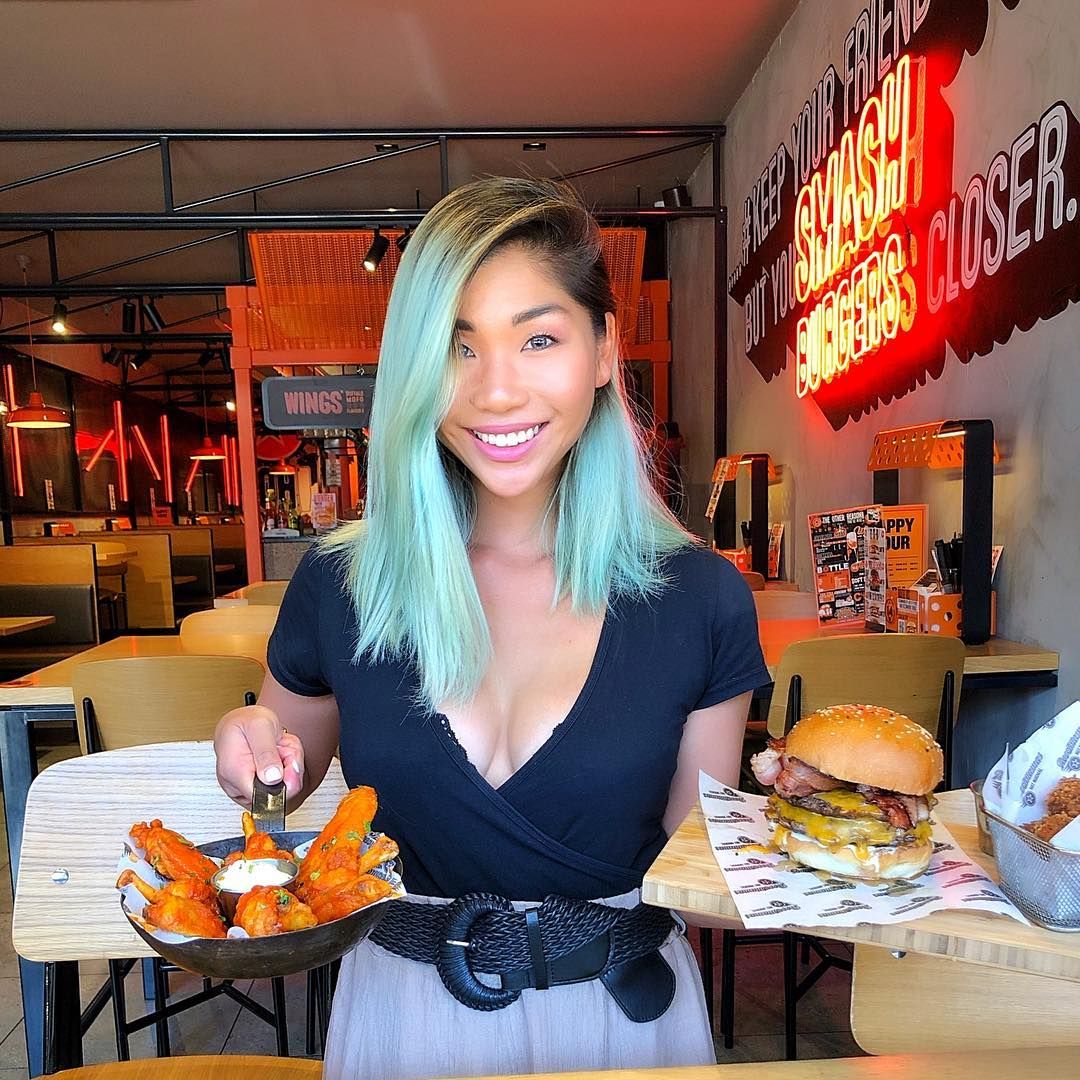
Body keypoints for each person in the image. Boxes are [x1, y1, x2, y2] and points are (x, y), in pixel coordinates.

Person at [215, 176, 769, 1079]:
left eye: (538, 338)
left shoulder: (700, 597)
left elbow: (695, 872)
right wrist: (252, 750)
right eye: (456, 347)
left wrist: (814, 861)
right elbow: (277, 792)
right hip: (404, 1019)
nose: (497, 391)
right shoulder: (342, 583)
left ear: (603, 351)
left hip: (621, 1028)